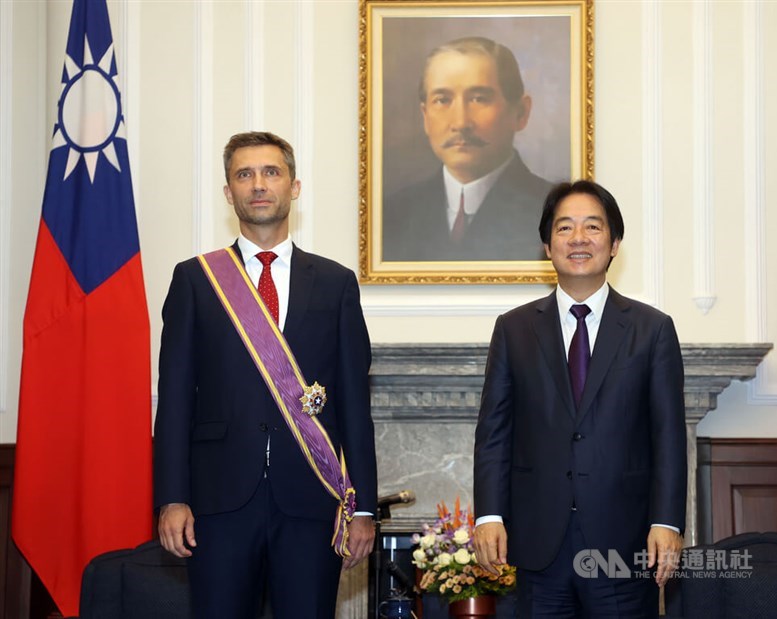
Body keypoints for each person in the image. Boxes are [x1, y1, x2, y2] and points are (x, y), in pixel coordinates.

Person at [153, 131, 377, 618]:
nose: (258, 184)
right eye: (244, 174)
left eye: (271, 172)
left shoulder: (337, 283)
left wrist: (363, 507)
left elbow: (356, 405)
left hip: (311, 499)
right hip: (217, 501)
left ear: (294, 187)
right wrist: (171, 497)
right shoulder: (195, 279)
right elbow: (173, 400)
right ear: (228, 191)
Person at [473, 180, 687, 618]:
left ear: (614, 244)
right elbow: (494, 432)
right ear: (547, 246)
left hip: (624, 546)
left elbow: (668, 436)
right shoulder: (514, 330)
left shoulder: (652, 329)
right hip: (539, 544)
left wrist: (666, 521)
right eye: (565, 228)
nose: (578, 239)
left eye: (592, 227)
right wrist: (488, 516)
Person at [382, 36, 553, 263]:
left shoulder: (554, 211)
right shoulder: (392, 214)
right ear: (425, 116)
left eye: (479, 99)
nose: (461, 122)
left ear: (520, 113)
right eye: (442, 100)